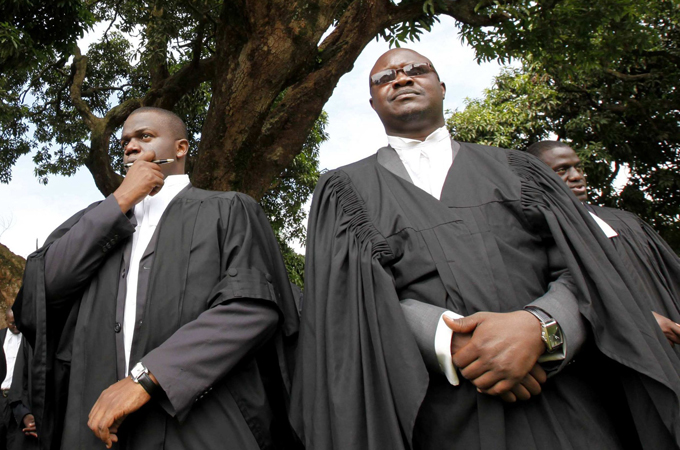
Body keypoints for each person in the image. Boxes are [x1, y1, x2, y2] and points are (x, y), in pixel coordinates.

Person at [292, 48, 680, 449]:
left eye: (416, 70)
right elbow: (349, 300)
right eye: (384, 78)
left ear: (442, 87)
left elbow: (586, 267)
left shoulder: (519, 170)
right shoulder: (346, 191)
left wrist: (540, 328)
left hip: (566, 403)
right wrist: (456, 343)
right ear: (373, 103)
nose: (402, 79)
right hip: (443, 414)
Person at [14, 107, 300, 450]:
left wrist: (147, 378)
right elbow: (39, 294)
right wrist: (121, 199)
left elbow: (252, 306)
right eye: (125, 142)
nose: (130, 146)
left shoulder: (227, 210)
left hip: (200, 426)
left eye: (145, 137)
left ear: (180, 148)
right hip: (93, 430)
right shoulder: (94, 223)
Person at [527, 140, 680, 345]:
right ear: (536, 177)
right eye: (561, 170)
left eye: (578, 167)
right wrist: (638, 321)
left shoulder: (626, 222)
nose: (576, 176)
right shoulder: (535, 232)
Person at [0, 309, 23, 450]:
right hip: (1, 396)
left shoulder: (27, 339)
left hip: (18, 398)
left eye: (18, 322)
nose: (16, 326)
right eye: (12, 323)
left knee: (14, 440)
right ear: (6, 322)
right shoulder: (0, 337)